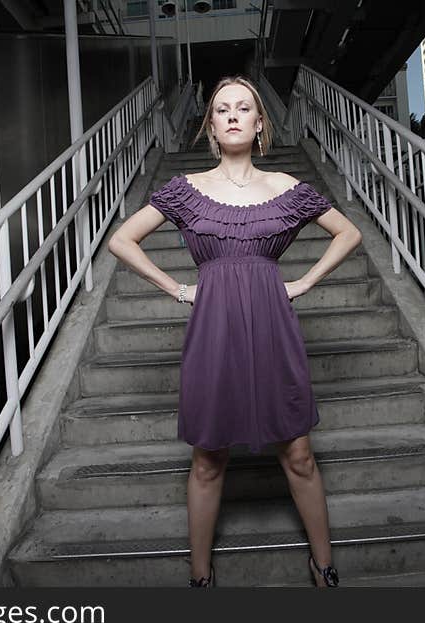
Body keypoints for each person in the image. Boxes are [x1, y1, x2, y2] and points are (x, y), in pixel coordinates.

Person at [107, 74, 363, 587]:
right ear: (211, 125)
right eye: (221, 108)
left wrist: (302, 282)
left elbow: (349, 232)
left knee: (298, 452)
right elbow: (121, 239)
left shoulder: (287, 189)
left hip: (273, 325)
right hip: (213, 328)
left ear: (259, 121)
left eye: (243, 107)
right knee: (208, 457)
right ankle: (200, 575)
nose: (232, 115)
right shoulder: (186, 190)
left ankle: (324, 564)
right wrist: (178, 289)